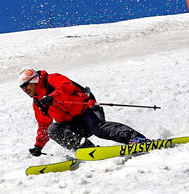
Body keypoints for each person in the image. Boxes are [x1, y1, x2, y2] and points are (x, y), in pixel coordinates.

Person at [18, 67, 148, 156]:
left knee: (98, 129)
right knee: (53, 129)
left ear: (34, 80)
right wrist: (38, 146)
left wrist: (52, 97)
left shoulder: (52, 79)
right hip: (74, 126)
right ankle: (88, 150)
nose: (25, 89)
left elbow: (67, 86)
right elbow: (44, 125)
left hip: (87, 110)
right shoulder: (38, 103)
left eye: (26, 85)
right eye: (22, 87)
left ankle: (136, 138)